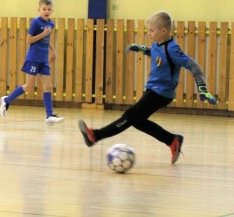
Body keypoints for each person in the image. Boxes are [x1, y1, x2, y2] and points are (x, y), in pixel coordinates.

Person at [78, 11, 217, 164]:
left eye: (151, 30)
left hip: (162, 93)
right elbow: (155, 52)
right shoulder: (157, 43)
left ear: (163, 31)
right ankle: (172, 140)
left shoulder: (172, 49)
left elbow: (193, 65)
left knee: (131, 115)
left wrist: (202, 87)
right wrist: (140, 48)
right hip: (153, 89)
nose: (148, 33)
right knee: (138, 121)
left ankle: (95, 136)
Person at [0, 0, 64, 125]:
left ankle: (49, 116)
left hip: (43, 59)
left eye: (49, 9)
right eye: (44, 9)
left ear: (52, 11)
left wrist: (53, 50)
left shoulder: (51, 24)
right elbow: (29, 40)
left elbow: (46, 40)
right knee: (29, 86)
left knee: (48, 86)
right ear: (39, 9)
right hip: (33, 58)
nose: (46, 11)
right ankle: (7, 100)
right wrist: (43, 34)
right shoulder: (36, 23)